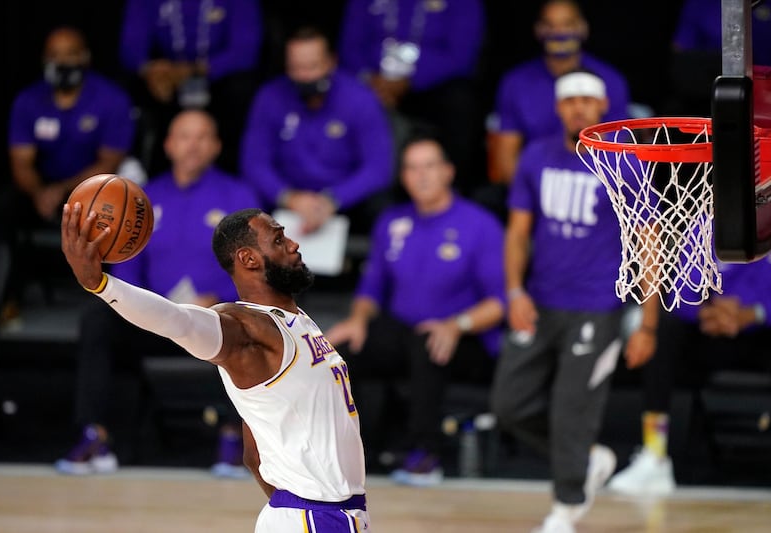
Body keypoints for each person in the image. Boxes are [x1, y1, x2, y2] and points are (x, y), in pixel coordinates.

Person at [61, 206, 370, 531]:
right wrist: (101, 284)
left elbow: (254, 456)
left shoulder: (297, 322)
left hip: (314, 515)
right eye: (279, 239)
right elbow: (177, 321)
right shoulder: (247, 328)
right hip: (317, 518)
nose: (293, 245)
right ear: (248, 258)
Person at [489, 70, 658, 533]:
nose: (579, 107)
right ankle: (587, 458)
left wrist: (647, 324)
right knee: (508, 404)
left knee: (571, 410)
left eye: (588, 100)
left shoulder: (623, 161)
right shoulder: (536, 156)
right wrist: (515, 292)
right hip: (540, 301)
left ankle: (566, 507)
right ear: (559, 108)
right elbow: (518, 231)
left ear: (604, 106)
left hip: (597, 305)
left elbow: (648, 241)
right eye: (570, 100)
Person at [55, 110, 261, 478]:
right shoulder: (139, 198)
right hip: (155, 318)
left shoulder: (239, 196)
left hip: (213, 321)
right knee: (98, 319)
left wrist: (214, 302)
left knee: (249, 319)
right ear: (168, 144)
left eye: (202, 136)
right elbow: (125, 273)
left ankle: (236, 438)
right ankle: (94, 436)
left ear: (216, 146)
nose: (192, 145)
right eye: (184, 135)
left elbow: (253, 270)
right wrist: (156, 309)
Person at [326, 134, 506, 486]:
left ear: (448, 172)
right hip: (403, 330)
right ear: (404, 177)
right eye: (412, 168)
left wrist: (456, 325)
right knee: (342, 353)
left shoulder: (479, 225)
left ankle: (425, 454)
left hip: (466, 339)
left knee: (428, 344)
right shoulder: (391, 223)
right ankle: (345, 454)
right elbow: (371, 287)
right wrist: (358, 319)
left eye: (429, 166)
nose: (421, 176)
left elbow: (501, 301)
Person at [607, 257, 771, 496]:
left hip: (760, 331)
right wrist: (708, 310)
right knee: (663, 330)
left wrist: (754, 313)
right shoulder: (703, 227)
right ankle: (655, 454)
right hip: (710, 327)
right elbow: (680, 292)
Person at [2, 26, 136, 312]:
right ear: (44, 60)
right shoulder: (28, 100)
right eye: (55, 55)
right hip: (42, 188)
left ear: (85, 57)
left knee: (120, 205)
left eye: (70, 54)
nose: (62, 62)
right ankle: (5, 299)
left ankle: (113, 302)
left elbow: (110, 161)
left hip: (96, 188)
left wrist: (62, 192)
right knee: (2, 208)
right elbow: (21, 162)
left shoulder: (110, 98)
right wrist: (39, 192)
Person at [241, 26, 394, 235]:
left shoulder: (360, 98)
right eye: (297, 67)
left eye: (312, 67)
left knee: (381, 205)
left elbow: (378, 168)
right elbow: (254, 164)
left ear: (332, 61)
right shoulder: (270, 97)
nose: (305, 77)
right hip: (285, 199)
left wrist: (332, 200)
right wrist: (289, 197)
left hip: (345, 202)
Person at [338, 0, 486, 192]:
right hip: (372, 85)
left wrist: (410, 80)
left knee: (461, 99)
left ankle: (453, 196)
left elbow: (461, 56)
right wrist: (373, 81)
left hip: (434, 87)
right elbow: (349, 49)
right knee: (345, 95)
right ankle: (365, 196)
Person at [487, 0, 630, 187]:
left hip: (596, 185)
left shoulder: (610, 80)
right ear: (538, 30)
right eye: (551, 25)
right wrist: (532, 199)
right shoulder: (515, 82)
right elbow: (506, 158)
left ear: (583, 28)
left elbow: (621, 155)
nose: (559, 32)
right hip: (536, 184)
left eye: (567, 24)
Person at [119, 0, 264, 175]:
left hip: (219, 80)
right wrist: (151, 70)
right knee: (129, 86)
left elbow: (246, 51)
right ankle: (147, 176)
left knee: (242, 87)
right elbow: (131, 49)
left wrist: (193, 70)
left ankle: (234, 178)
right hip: (166, 81)